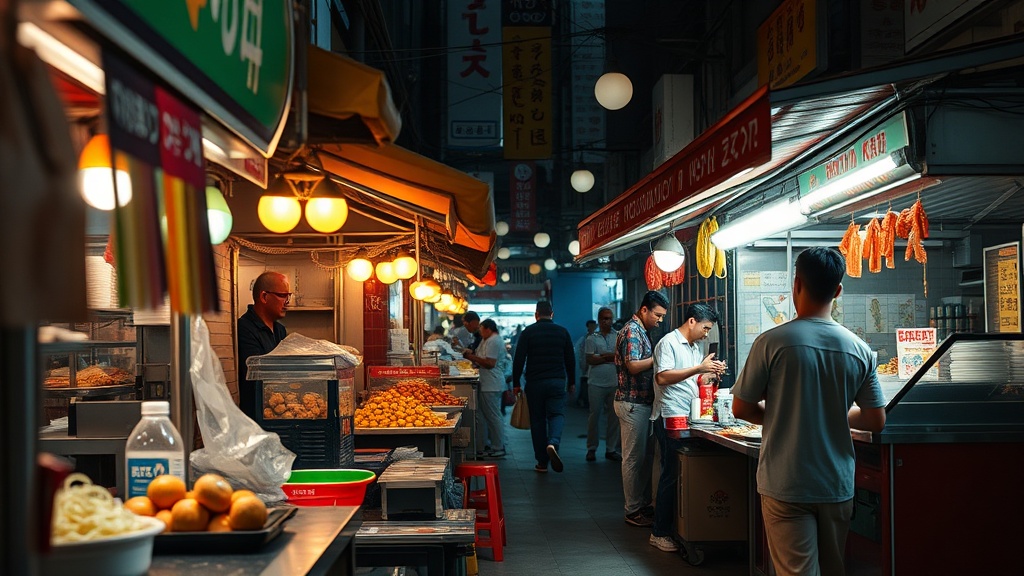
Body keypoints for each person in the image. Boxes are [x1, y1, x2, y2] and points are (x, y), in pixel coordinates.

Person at [732, 247, 886, 576]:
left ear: (796, 284)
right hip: (835, 484)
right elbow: (876, 419)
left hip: (786, 482)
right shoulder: (860, 349)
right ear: (839, 291)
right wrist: (828, 415)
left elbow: (742, 407)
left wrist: (783, 415)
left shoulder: (771, 343)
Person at [649, 303, 726, 553]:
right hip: (670, 415)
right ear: (691, 321)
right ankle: (658, 532)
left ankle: (677, 527)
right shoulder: (668, 343)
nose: (706, 334)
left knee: (679, 472)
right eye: (705, 328)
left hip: (688, 415)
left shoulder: (695, 347)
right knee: (670, 473)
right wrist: (699, 368)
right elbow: (662, 377)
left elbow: (694, 380)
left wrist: (711, 373)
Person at [614, 290, 669, 527]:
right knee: (633, 459)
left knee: (642, 458)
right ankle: (632, 510)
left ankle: (641, 505)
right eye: (657, 315)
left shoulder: (642, 331)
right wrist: (659, 357)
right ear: (644, 309)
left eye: (663, 316)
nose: (660, 320)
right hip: (632, 403)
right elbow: (634, 366)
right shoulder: (632, 331)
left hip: (641, 403)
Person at [512, 300, 576, 473]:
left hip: (535, 383)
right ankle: (553, 442)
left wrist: (516, 383)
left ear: (536, 314)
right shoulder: (562, 332)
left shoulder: (528, 332)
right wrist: (572, 381)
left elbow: (519, 359)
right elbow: (570, 358)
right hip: (556, 381)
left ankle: (541, 462)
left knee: (538, 420)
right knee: (556, 414)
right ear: (552, 314)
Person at [236, 271, 291, 420]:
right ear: (264, 297)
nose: (287, 302)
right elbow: (256, 376)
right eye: (282, 295)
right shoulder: (244, 328)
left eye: (288, 296)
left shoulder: (280, 330)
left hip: (278, 414)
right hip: (256, 418)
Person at [463, 319, 506, 458]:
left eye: (481, 329)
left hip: (492, 384)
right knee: (486, 415)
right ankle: (486, 444)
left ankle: (498, 447)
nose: (480, 332)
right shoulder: (486, 340)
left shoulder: (494, 341)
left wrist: (472, 357)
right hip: (486, 382)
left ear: (488, 329)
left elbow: (489, 363)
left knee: (493, 416)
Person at [584, 308, 620, 462]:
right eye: (604, 318)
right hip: (596, 383)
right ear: (599, 320)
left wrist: (604, 356)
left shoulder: (618, 337)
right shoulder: (592, 339)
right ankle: (591, 448)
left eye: (609, 318)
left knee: (614, 417)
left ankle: (610, 449)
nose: (607, 321)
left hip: (614, 383)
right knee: (594, 416)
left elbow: (620, 357)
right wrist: (609, 357)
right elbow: (590, 359)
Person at [573, 319, 597, 408]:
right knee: (585, 382)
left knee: (586, 382)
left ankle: (583, 399)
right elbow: (582, 352)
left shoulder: (596, 337)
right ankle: (584, 400)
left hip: (591, 363)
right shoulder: (585, 338)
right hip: (586, 363)